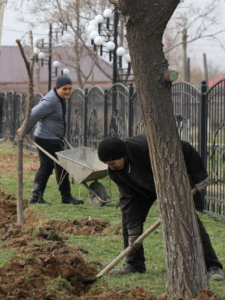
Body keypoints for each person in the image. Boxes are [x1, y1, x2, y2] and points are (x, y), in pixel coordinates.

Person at [97, 134, 224, 280]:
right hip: (143, 189)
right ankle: (134, 264)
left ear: (123, 155)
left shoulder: (146, 147)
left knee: (190, 221)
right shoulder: (115, 172)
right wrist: (133, 232)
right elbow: (128, 199)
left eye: (112, 162)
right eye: (107, 163)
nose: (110, 166)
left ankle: (213, 266)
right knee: (129, 224)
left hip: (169, 182)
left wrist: (199, 176)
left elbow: (185, 148)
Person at [17, 76, 83, 205]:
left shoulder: (59, 99)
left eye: (70, 89)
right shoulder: (51, 101)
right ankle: (66, 197)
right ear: (57, 88)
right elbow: (34, 113)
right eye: (65, 89)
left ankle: (37, 197)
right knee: (62, 166)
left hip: (51, 137)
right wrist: (24, 129)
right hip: (47, 139)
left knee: (47, 166)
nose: (68, 91)